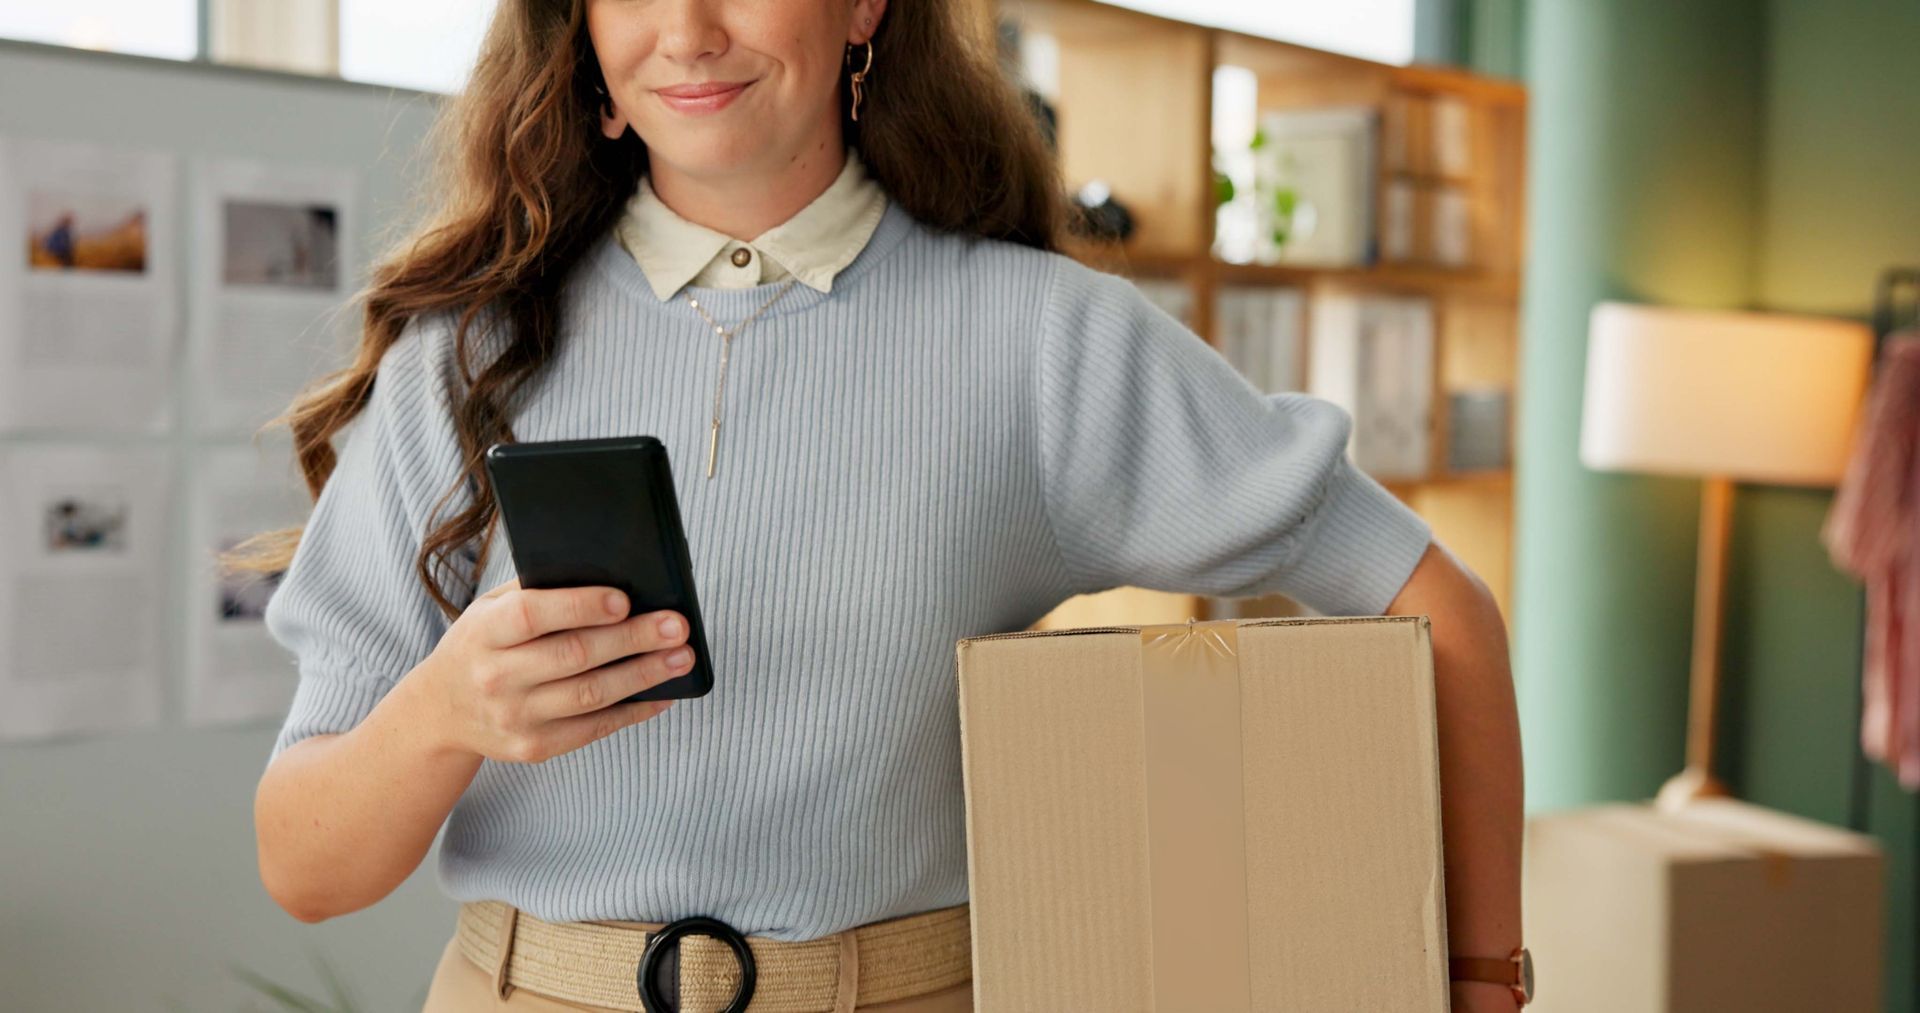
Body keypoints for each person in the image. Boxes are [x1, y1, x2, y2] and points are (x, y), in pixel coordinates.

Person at [233, 0, 1526, 1010]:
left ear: (862, 10)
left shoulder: (1044, 342)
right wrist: (446, 709)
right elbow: (304, 865)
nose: (685, 33)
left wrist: (1476, 978)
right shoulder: (460, 358)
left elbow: (1439, 603)